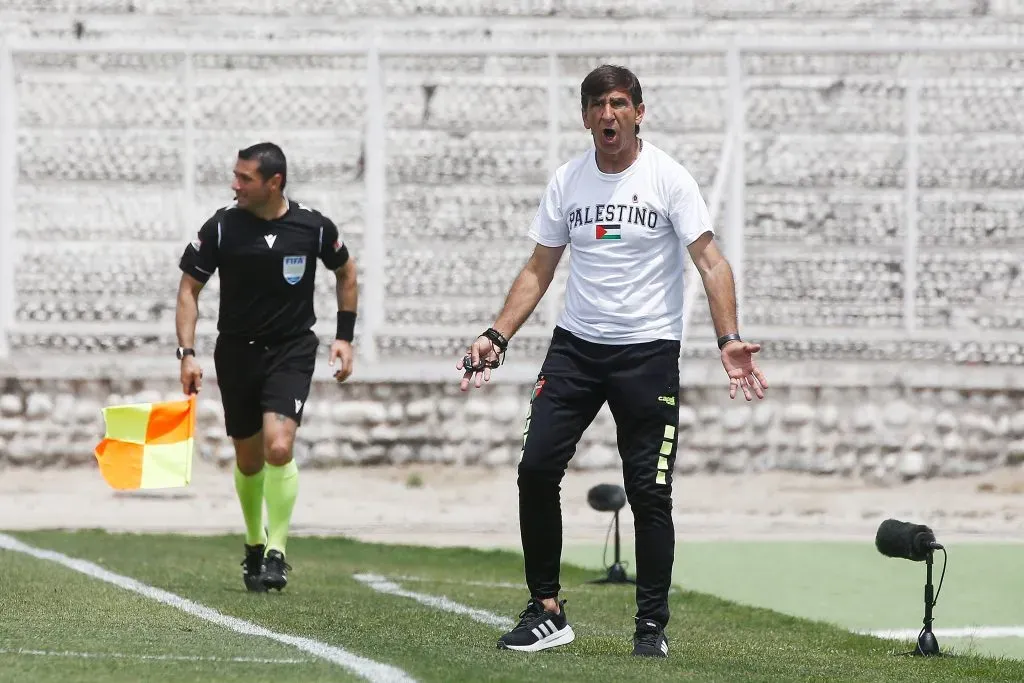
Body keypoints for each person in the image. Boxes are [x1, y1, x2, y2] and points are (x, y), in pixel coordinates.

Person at [457, 65, 768, 657]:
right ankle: (546, 610)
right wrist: (496, 336)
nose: (608, 115)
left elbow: (712, 263)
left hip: (647, 353)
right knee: (535, 469)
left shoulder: (668, 178)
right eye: (598, 105)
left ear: (639, 112)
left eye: (620, 104)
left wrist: (728, 338)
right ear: (585, 117)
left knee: (649, 492)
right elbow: (539, 268)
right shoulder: (568, 181)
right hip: (575, 349)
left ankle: (650, 626)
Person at [175, 142, 358, 592]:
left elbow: (347, 272)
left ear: (274, 183)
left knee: (279, 447)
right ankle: (253, 544)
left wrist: (344, 337)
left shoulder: (312, 227)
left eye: (245, 178)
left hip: (290, 351)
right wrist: (188, 353)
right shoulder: (221, 228)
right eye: (235, 176)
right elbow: (188, 291)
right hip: (236, 352)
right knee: (250, 459)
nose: (234, 184)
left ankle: (277, 551)